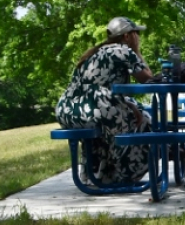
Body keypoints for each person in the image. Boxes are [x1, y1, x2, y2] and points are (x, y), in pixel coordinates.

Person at [54, 16, 154, 182]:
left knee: (131, 113)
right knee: (144, 119)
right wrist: (137, 50)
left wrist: (130, 105)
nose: (138, 37)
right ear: (128, 36)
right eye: (136, 33)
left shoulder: (92, 53)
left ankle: (96, 174)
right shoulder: (124, 50)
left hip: (68, 110)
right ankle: (123, 173)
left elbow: (100, 88)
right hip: (95, 110)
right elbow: (148, 79)